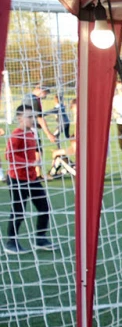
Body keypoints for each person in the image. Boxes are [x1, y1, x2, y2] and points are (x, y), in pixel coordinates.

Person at [4, 105, 53, 254]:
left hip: (31, 178)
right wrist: (28, 163)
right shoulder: (16, 135)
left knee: (44, 207)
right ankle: (11, 242)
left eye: (33, 116)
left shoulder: (31, 133)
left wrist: (36, 161)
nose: (32, 119)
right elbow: (9, 155)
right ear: (19, 118)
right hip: (17, 179)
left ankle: (40, 239)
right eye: (29, 117)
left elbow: (34, 150)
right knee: (18, 211)